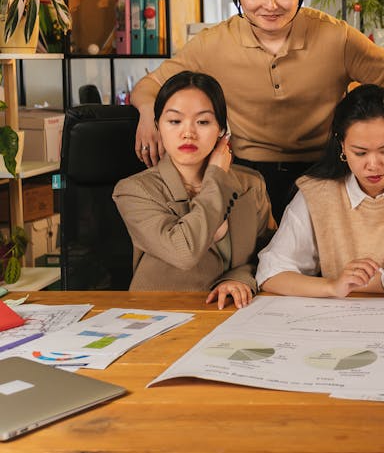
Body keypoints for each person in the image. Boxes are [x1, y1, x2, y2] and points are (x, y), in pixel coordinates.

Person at [130, 0, 384, 222]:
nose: (270, 5)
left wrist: (377, 127)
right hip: (244, 173)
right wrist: (149, 113)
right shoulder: (212, 44)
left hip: (326, 171)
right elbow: (150, 84)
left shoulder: (335, 37)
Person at [256, 84, 384, 297]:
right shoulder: (317, 193)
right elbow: (271, 272)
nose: (373, 164)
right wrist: (333, 286)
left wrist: (353, 284)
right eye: (360, 153)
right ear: (342, 146)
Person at [114, 71, 274, 308]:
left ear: (222, 129)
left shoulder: (251, 185)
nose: (188, 132)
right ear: (158, 126)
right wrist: (216, 178)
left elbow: (272, 254)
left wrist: (239, 277)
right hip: (158, 316)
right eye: (174, 121)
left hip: (235, 314)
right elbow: (184, 252)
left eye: (203, 122)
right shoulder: (135, 191)